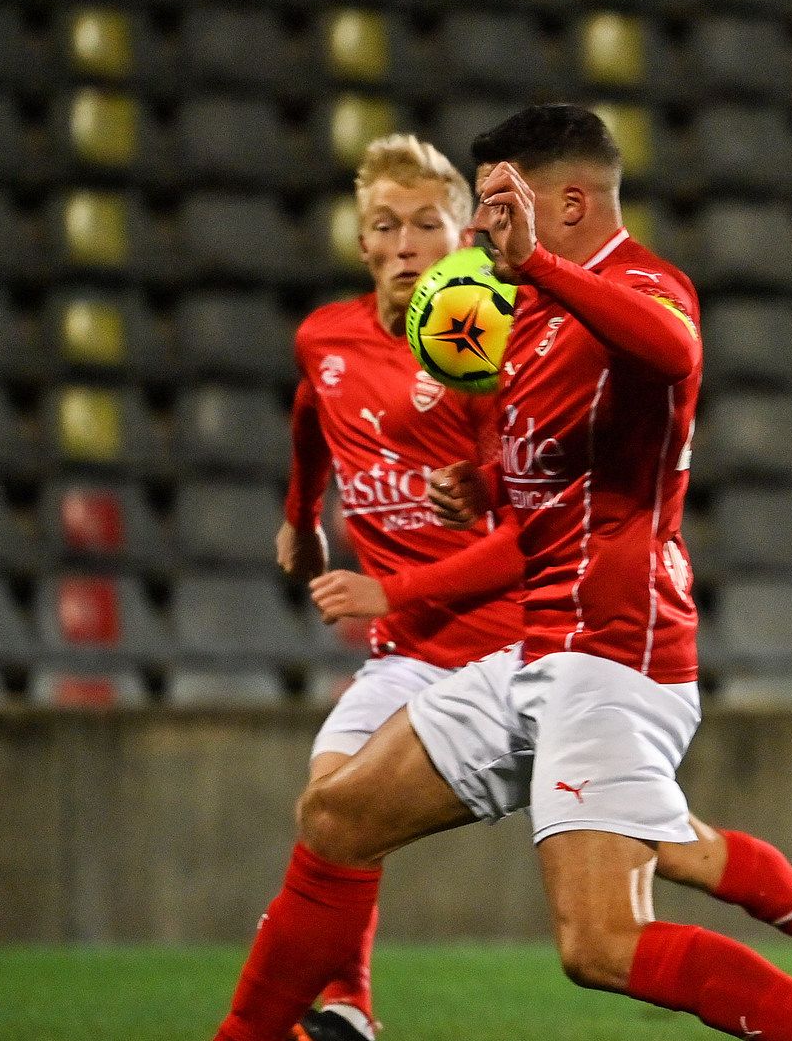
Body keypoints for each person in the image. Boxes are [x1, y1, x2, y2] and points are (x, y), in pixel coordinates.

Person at [212, 105, 792, 1041]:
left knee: (601, 944)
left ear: (565, 200)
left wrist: (542, 271)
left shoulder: (645, 284)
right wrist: (481, 486)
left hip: (615, 654)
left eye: (492, 204)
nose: (477, 230)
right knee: (337, 815)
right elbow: (542, 511)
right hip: (533, 650)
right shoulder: (521, 321)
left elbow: (675, 353)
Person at [256, 133, 525, 1041]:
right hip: (406, 653)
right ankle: (351, 1010)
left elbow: (528, 504)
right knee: (329, 803)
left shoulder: (482, 351)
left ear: (459, 240)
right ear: (362, 241)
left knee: (655, 864)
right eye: (385, 224)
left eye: (424, 223)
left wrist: (479, 484)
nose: (404, 242)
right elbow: (309, 409)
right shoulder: (323, 337)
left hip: (501, 646)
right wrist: (302, 516)